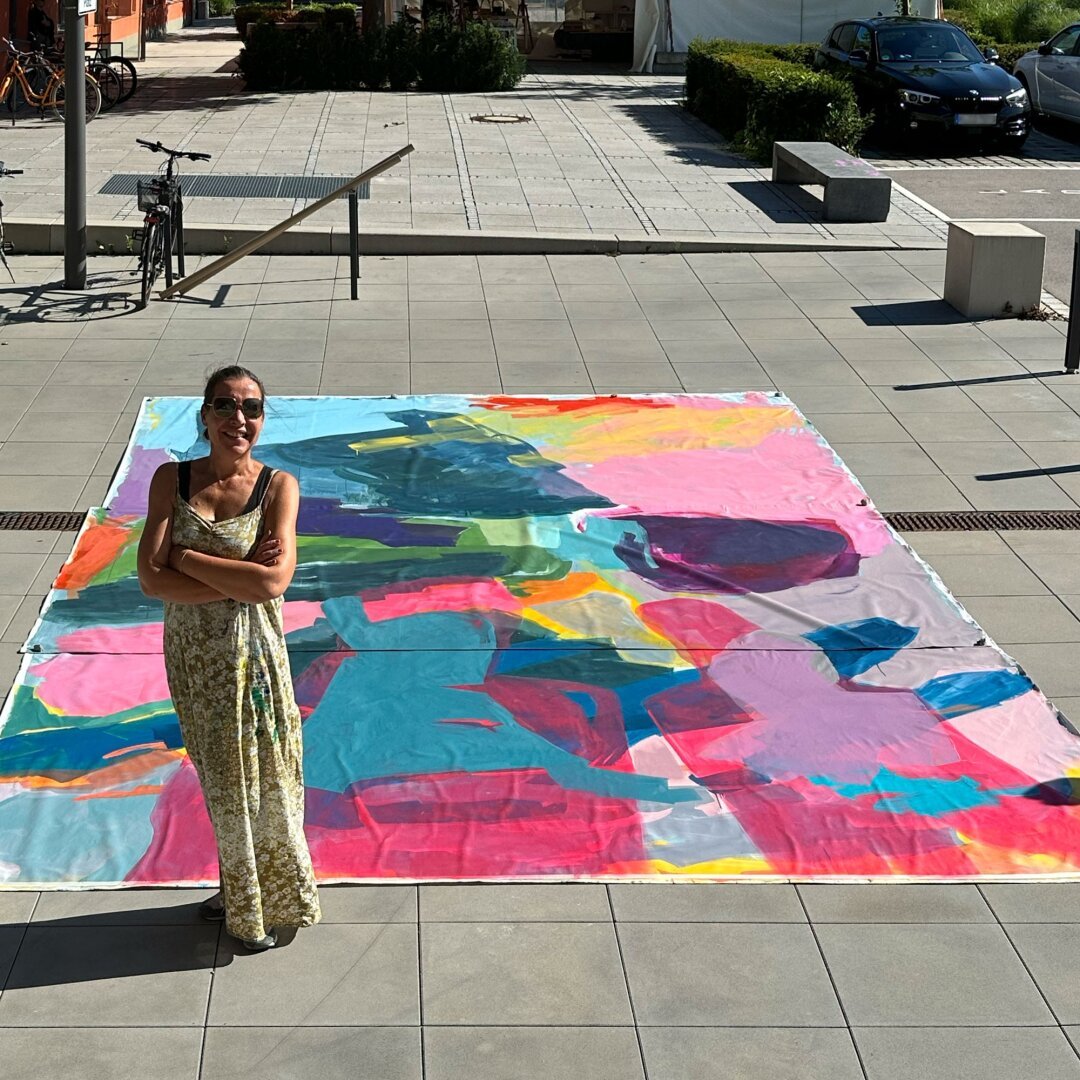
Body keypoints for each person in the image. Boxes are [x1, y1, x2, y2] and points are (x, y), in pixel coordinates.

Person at [137, 366, 321, 951]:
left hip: (255, 655)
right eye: (224, 405)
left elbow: (272, 585)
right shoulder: (171, 479)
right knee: (221, 778)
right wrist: (239, 576)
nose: (237, 419)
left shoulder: (278, 487)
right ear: (205, 415)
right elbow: (148, 577)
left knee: (269, 774)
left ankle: (270, 898)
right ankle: (238, 887)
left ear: (261, 418)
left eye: (250, 408)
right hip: (194, 657)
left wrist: (185, 559)